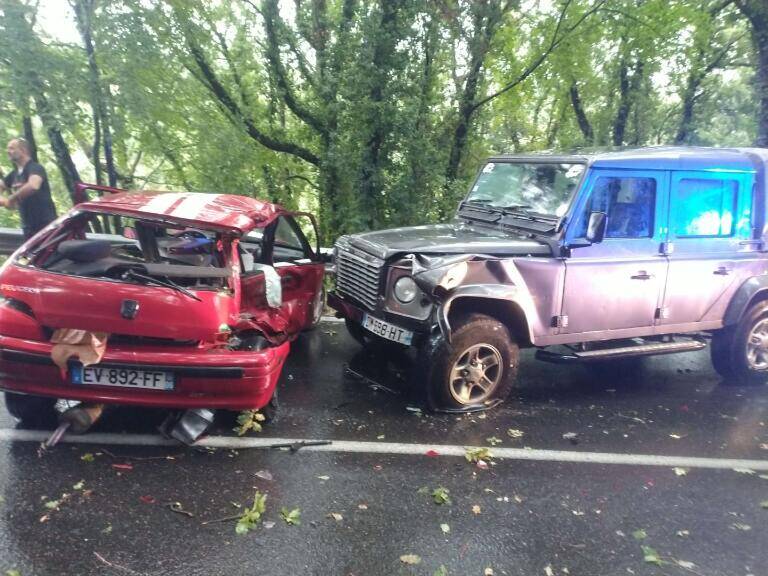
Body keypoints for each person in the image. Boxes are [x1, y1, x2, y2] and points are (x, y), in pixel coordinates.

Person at [0, 138, 57, 239]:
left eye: (12, 148)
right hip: (28, 227)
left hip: (46, 225)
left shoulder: (35, 168)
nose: (8, 151)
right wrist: (5, 202)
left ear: (23, 150)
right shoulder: (13, 175)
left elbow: (33, 185)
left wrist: (11, 199)